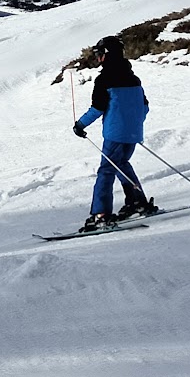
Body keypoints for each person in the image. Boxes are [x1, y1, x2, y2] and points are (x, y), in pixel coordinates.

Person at [71, 35, 157, 232]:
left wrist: (80, 125)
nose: (98, 58)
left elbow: (98, 108)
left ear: (106, 55)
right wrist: (133, 125)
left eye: (100, 54)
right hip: (133, 132)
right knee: (121, 164)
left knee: (106, 170)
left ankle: (101, 214)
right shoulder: (134, 79)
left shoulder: (104, 79)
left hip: (115, 133)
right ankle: (137, 203)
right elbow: (144, 106)